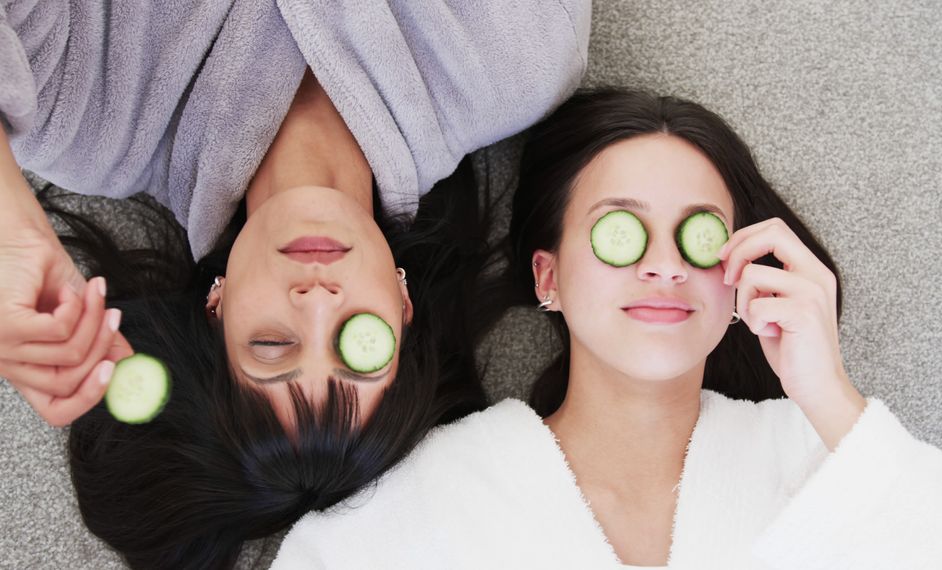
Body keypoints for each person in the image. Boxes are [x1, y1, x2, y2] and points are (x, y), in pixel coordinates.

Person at [271, 88, 942, 569]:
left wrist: (831, 395)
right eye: (621, 232)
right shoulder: (436, 491)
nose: (663, 265)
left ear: (738, 277)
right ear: (548, 277)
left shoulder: (821, 456)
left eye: (698, 235)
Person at [0, 1, 589, 568]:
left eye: (272, 345)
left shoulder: (86, 121)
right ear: (404, 306)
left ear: (217, 305)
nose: (316, 301)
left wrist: (11, 232)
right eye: (360, 344)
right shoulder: (518, 63)